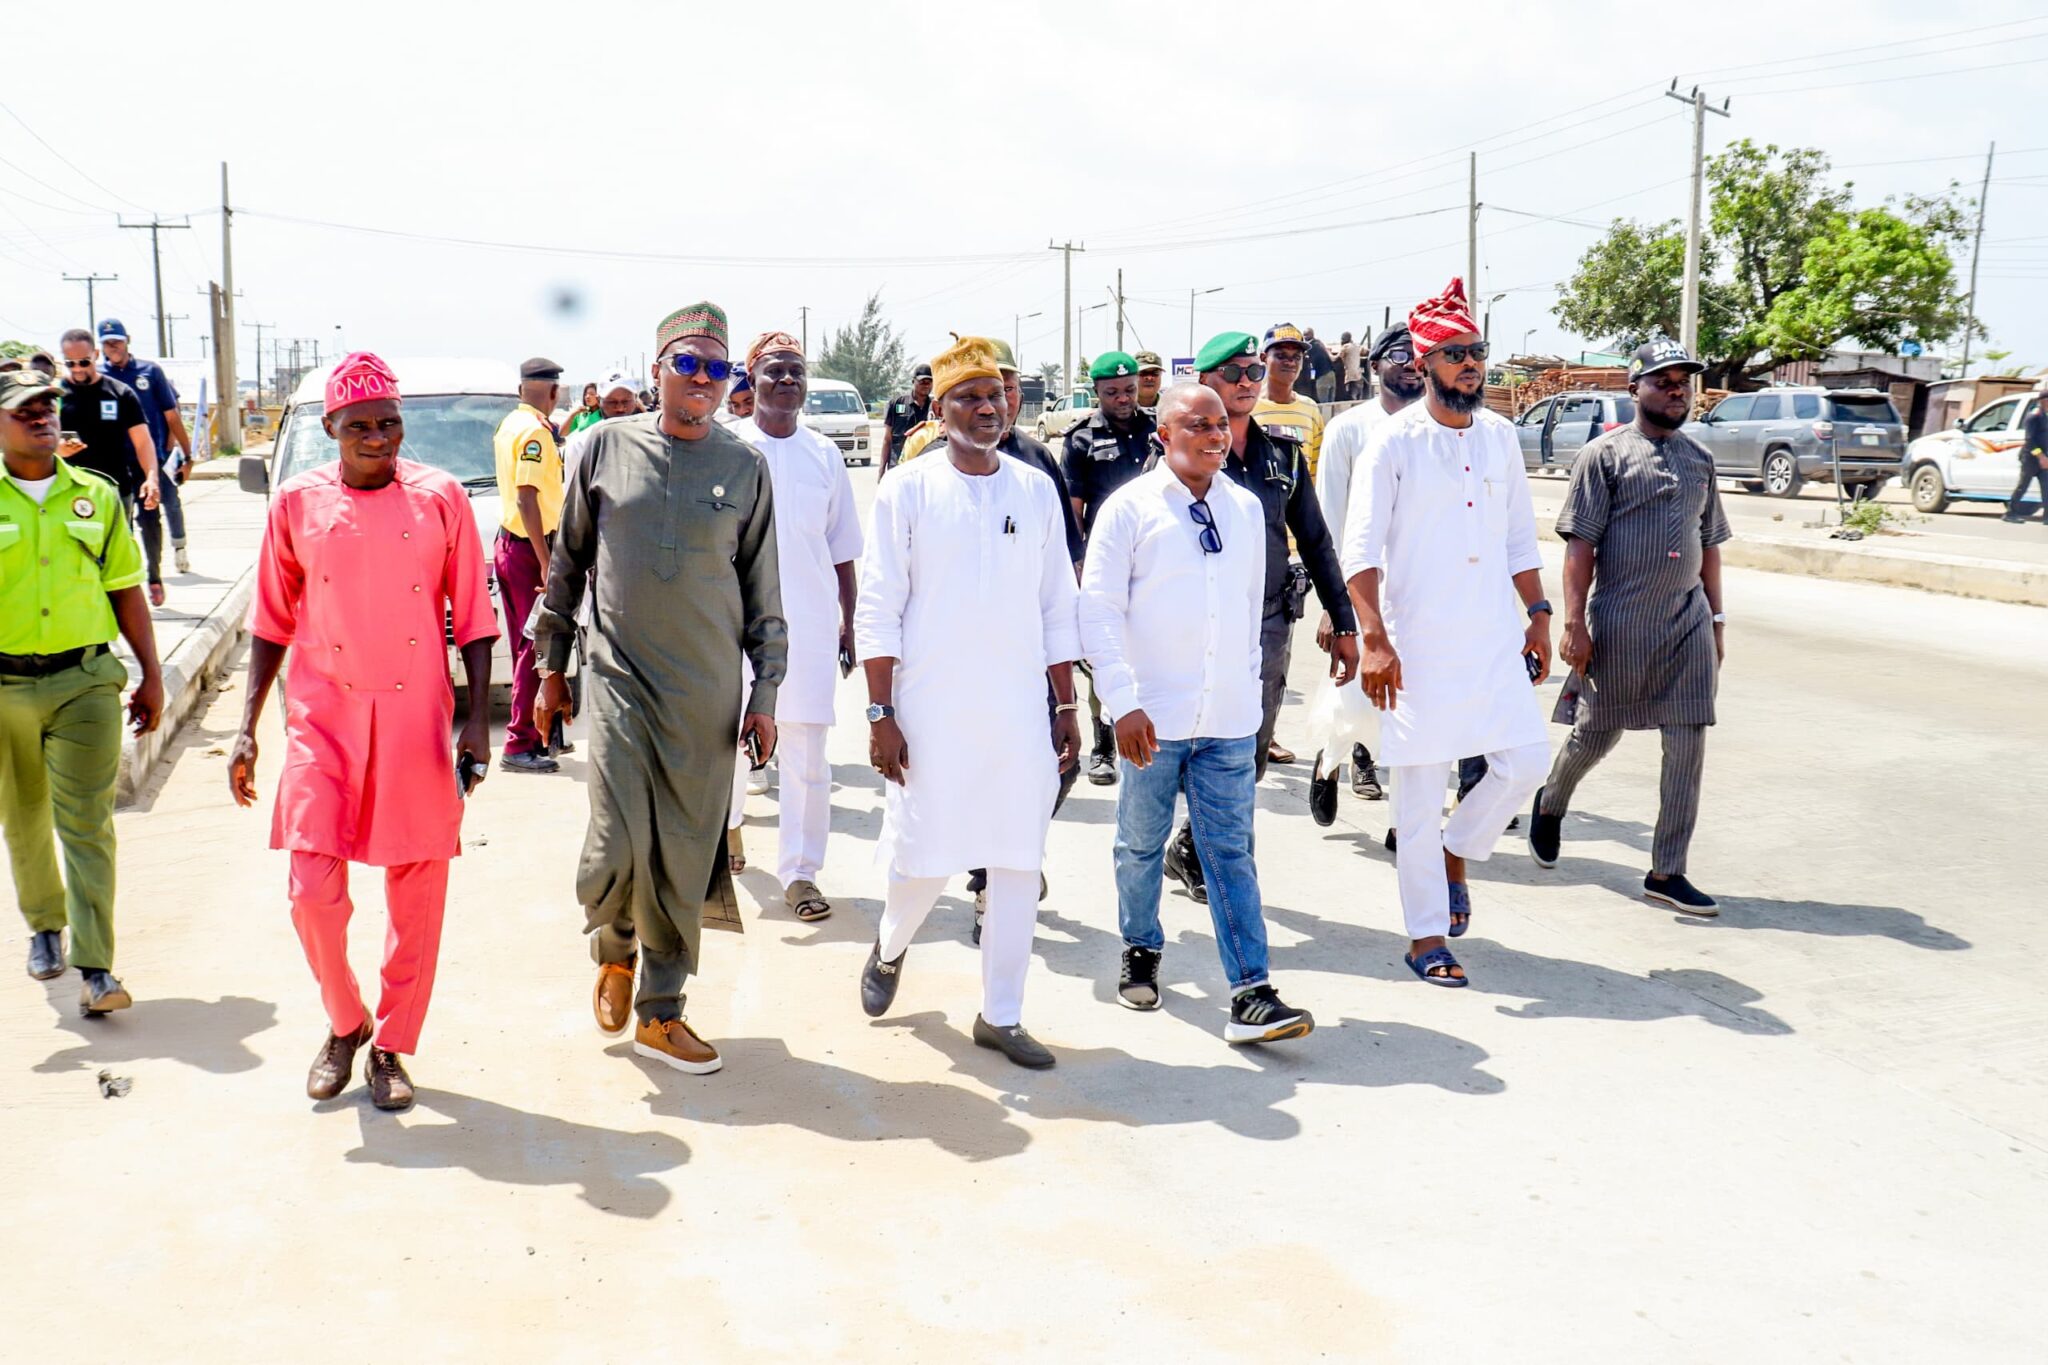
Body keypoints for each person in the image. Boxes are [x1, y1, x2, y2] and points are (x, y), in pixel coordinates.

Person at [228, 353, 496, 1111]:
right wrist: (247, 728)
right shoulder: (297, 502)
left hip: (415, 717)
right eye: (360, 426)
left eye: (389, 423)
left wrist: (478, 719)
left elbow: (474, 616)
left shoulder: (441, 497)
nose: (378, 437)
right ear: (331, 429)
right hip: (324, 717)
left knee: (417, 894)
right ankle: (347, 1021)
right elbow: (271, 620)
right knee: (312, 892)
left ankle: (392, 1046)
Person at [532, 301, 786, 1077]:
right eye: (689, 363)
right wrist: (550, 666)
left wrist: (766, 696)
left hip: (705, 695)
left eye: (718, 367)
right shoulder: (604, 447)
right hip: (617, 679)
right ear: (658, 371)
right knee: (614, 841)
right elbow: (568, 565)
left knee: (683, 851)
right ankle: (615, 947)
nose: (704, 379)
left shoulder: (746, 468)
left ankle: (662, 1010)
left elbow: (764, 596)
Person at [853, 335, 1081, 1070]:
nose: (988, 408)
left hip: (1017, 712)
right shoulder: (907, 489)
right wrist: (881, 714)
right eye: (970, 397)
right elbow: (879, 608)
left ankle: (1001, 1014)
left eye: (996, 395)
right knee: (923, 855)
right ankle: (891, 946)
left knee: (1017, 857)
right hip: (931, 710)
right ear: (940, 408)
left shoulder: (1034, 489)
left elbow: (1057, 605)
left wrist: (1066, 706)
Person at [1081, 382, 1314, 1043]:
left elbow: (1248, 610)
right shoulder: (1129, 510)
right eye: (1197, 425)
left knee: (1230, 852)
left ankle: (1251, 991)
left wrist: (1248, 697)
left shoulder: (1244, 507)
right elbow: (1098, 611)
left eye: (1219, 425)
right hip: (1151, 719)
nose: (1215, 435)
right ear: (1164, 435)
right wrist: (1122, 703)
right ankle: (1141, 947)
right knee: (1140, 841)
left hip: (1228, 720)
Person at [1342, 278, 1553, 989]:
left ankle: (1457, 847)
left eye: (1477, 352)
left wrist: (1539, 614)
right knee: (1417, 796)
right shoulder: (1392, 443)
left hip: (1492, 638)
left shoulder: (1499, 437)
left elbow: (1519, 538)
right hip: (1417, 647)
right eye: (1455, 354)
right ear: (1424, 362)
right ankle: (1426, 935)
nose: (1471, 365)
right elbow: (1359, 551)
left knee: (1525, 762)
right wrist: (1375, 639)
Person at [1525, 340, 1729, 914]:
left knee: (1688, 740)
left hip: (1687, 623)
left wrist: (1716, 621)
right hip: (1620, 623)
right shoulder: (1604, 456)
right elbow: (1580, 547)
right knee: (1596, 734)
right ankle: (1551, 802)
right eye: (1663, 381)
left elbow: (1711, 546)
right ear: (1635, 388)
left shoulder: (1699, 460)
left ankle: (1667, 871)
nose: (1676, 391)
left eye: (1683, 382)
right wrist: (1574, 624)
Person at [0, 369, 163, 1014]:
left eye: (48, 406)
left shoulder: (95, 494)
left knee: (88, 823)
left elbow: (125, 587)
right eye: (24, 410)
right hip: (5, 685)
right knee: (23, 815)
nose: (42, 416)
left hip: (86, 681)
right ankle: (46, 925)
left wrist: (151, 673)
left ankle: (97, 969)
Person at [728, 331, 861, 923]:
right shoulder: (727, 447)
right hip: (731, 622)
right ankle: (725, 831)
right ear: (752, 380)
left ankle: (801, 872)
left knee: (806, 753)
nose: (787, 380)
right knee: (725, 742)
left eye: (796, 371)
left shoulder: (824, 454)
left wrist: (849, 620)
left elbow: (842, 548)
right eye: (775, 370)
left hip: (807, 623)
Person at [1308, 325, 1421, 806]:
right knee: (1353, 684)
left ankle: (1382, 769)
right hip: (1362, 580)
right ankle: (1339, 757)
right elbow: (1329, 519)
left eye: (1419, 355)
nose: (1412, 364)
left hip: (1416, 582)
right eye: (1400, 355)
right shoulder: (1348, 429)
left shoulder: (1437, 428)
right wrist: (1333, 603)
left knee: (1410, 687)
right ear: (1375, 366)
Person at [1061, 351, 1156, 786]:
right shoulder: (1081, 439)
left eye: (1129, 390)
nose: (1123, 398)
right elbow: (1074, 511)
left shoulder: (1157, 430)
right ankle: (1104, 746)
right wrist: (1080, 564)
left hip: (1153, 559)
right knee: (1104, 651)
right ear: (1097, 392)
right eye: (1113, 392)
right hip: (1105, 563)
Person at [492, 357, 565, 774]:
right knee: (535, 645)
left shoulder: (511, 424)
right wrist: (545, 561)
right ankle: (519, 742)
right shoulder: (536, 431)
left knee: (533, 642)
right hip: (528, 549)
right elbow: (526, 497)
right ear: (553, 392)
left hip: (512, 542)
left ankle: (541, 733)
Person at [56, 330, 161, 600]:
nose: (77, 369)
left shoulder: (120, 393)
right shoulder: (54, 397)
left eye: (84, 361)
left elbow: (143, 442)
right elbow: (36, 443)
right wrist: (58, 451)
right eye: (70, 363)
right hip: (67, 492)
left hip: (115, 491)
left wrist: (151, 478)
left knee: (117, 558)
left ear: (95, 355)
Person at [98, 319, 194, 586]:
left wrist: (186, 455)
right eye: (107, 343)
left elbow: (172, 415)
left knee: (154, 515)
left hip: (149, 460)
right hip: (113, 465)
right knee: (120, 521)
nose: (113, 347)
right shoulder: (98, 377)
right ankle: (128, 574)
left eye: (117, 341)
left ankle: (157, 571)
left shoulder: (149, 372)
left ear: (127, 340)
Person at [1253, 322, 1326, 482]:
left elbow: (1317, 468)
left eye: (1297, 357)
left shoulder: (1310, 409)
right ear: (1264, 358)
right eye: (1281, 356)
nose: (1290, 362)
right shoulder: (1249, 408)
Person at [2003, 383, 2048, 523]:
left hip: (2044, 458)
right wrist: (2041, 456)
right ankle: (2010, 513)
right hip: (2031, 458)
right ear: (2044, 401)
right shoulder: (2034, 416)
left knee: (2046, 488)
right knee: (2023, 486)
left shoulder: (2045, 416)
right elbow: (2030, 440)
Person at [878, 363, 933, 475]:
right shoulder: (897, 403)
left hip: (924, 468)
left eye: (929, 382)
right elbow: (887, 439)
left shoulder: (936, 407)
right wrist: (882, 469)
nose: (926, 385)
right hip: (898, 466)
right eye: (922, 381)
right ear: (913, 381)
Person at [1303, 327, 1336, 404]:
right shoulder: (1320, 343)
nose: (1304, 337)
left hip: (1322, 376)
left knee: (1323, 403)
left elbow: (1312, 365)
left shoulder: (1310, 347)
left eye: (1305, 335)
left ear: (1310, 335)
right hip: (1331, 374)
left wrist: (1312, 378)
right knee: (1331, 403)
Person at [1337, 330, 1363, 402]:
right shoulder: (1357, 346)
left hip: (1349, 376)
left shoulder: (1345, 347)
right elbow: (1364, 351)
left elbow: (1337, 357)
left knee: (1350, 396)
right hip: (1358, 374)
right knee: (1356, 395)